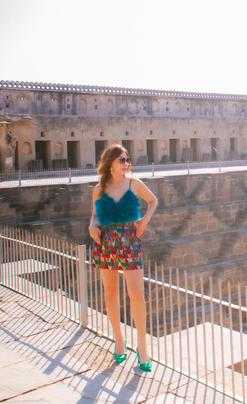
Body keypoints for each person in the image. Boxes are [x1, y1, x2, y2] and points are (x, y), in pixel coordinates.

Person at [89, 144, 158, 371]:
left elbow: (153, 201)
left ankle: (142, 346)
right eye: (121, 159)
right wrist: (91, 225)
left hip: (129, 238)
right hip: (106, 240)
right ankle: (119, 341)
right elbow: (94, 214)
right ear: (110, 162)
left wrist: (145, 220)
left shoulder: (134, 184)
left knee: (136, 293)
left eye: (127, 159)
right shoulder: (99, 189)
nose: (126, 163)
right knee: (110, 291)